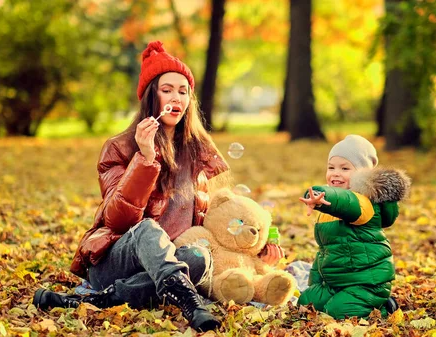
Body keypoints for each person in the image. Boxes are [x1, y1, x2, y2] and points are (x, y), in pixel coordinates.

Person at [32, 41, 283, 332]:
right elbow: (118, 219)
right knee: (149, 230)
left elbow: (210, 227)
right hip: (117, 260)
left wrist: (258, 250)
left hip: (168, 266)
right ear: (152, 96)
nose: (176, 97)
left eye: (183, 91)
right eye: (167, 90)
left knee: (200, 258)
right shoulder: (119, 148)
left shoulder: (197, 152)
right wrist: (145, 159)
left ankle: (97, 302)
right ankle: (189, 299)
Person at [297, 135, 410, 319]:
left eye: (345, 168)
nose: (335, 173)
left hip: (366, 282)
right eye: (331, 167)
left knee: (338, 311)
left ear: (362, 174)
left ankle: (384, 307)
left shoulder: (362, 202)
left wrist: (322, 196)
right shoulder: (328, 208)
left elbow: (344, 201)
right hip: (337, 282)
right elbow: (325, 250)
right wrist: (315, 282)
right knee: (306, 303)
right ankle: (332, 296)